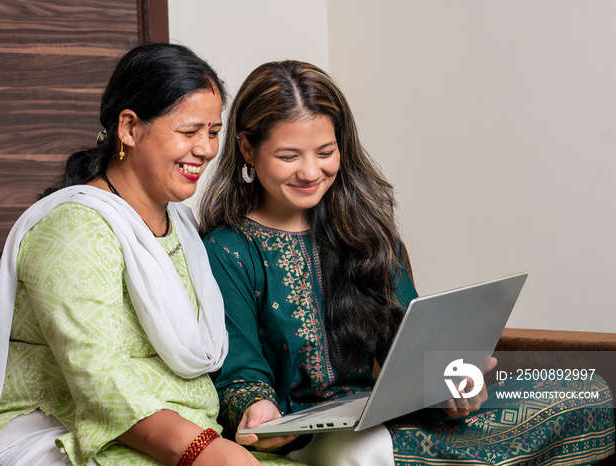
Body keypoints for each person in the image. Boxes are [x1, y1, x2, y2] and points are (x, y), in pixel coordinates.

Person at [200, 60, 615, 465]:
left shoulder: (363, 230)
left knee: (591, 389)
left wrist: (451, 379)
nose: (311, 172)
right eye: (289, 156)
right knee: (360, 452)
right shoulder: (227, 249)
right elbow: (241, 372)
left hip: (389, 418)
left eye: (325, 152)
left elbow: (410, 343)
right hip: (313, 439)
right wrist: (257, 409)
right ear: (247, 149)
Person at [0, 44, 302, 466]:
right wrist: (211, 452)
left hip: (177, 437)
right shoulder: (72, 230)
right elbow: (101, 382)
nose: (205, 149)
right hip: (61, 434)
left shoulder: (182, 228)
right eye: (188, 132)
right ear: (128, 128)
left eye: (214, 131)